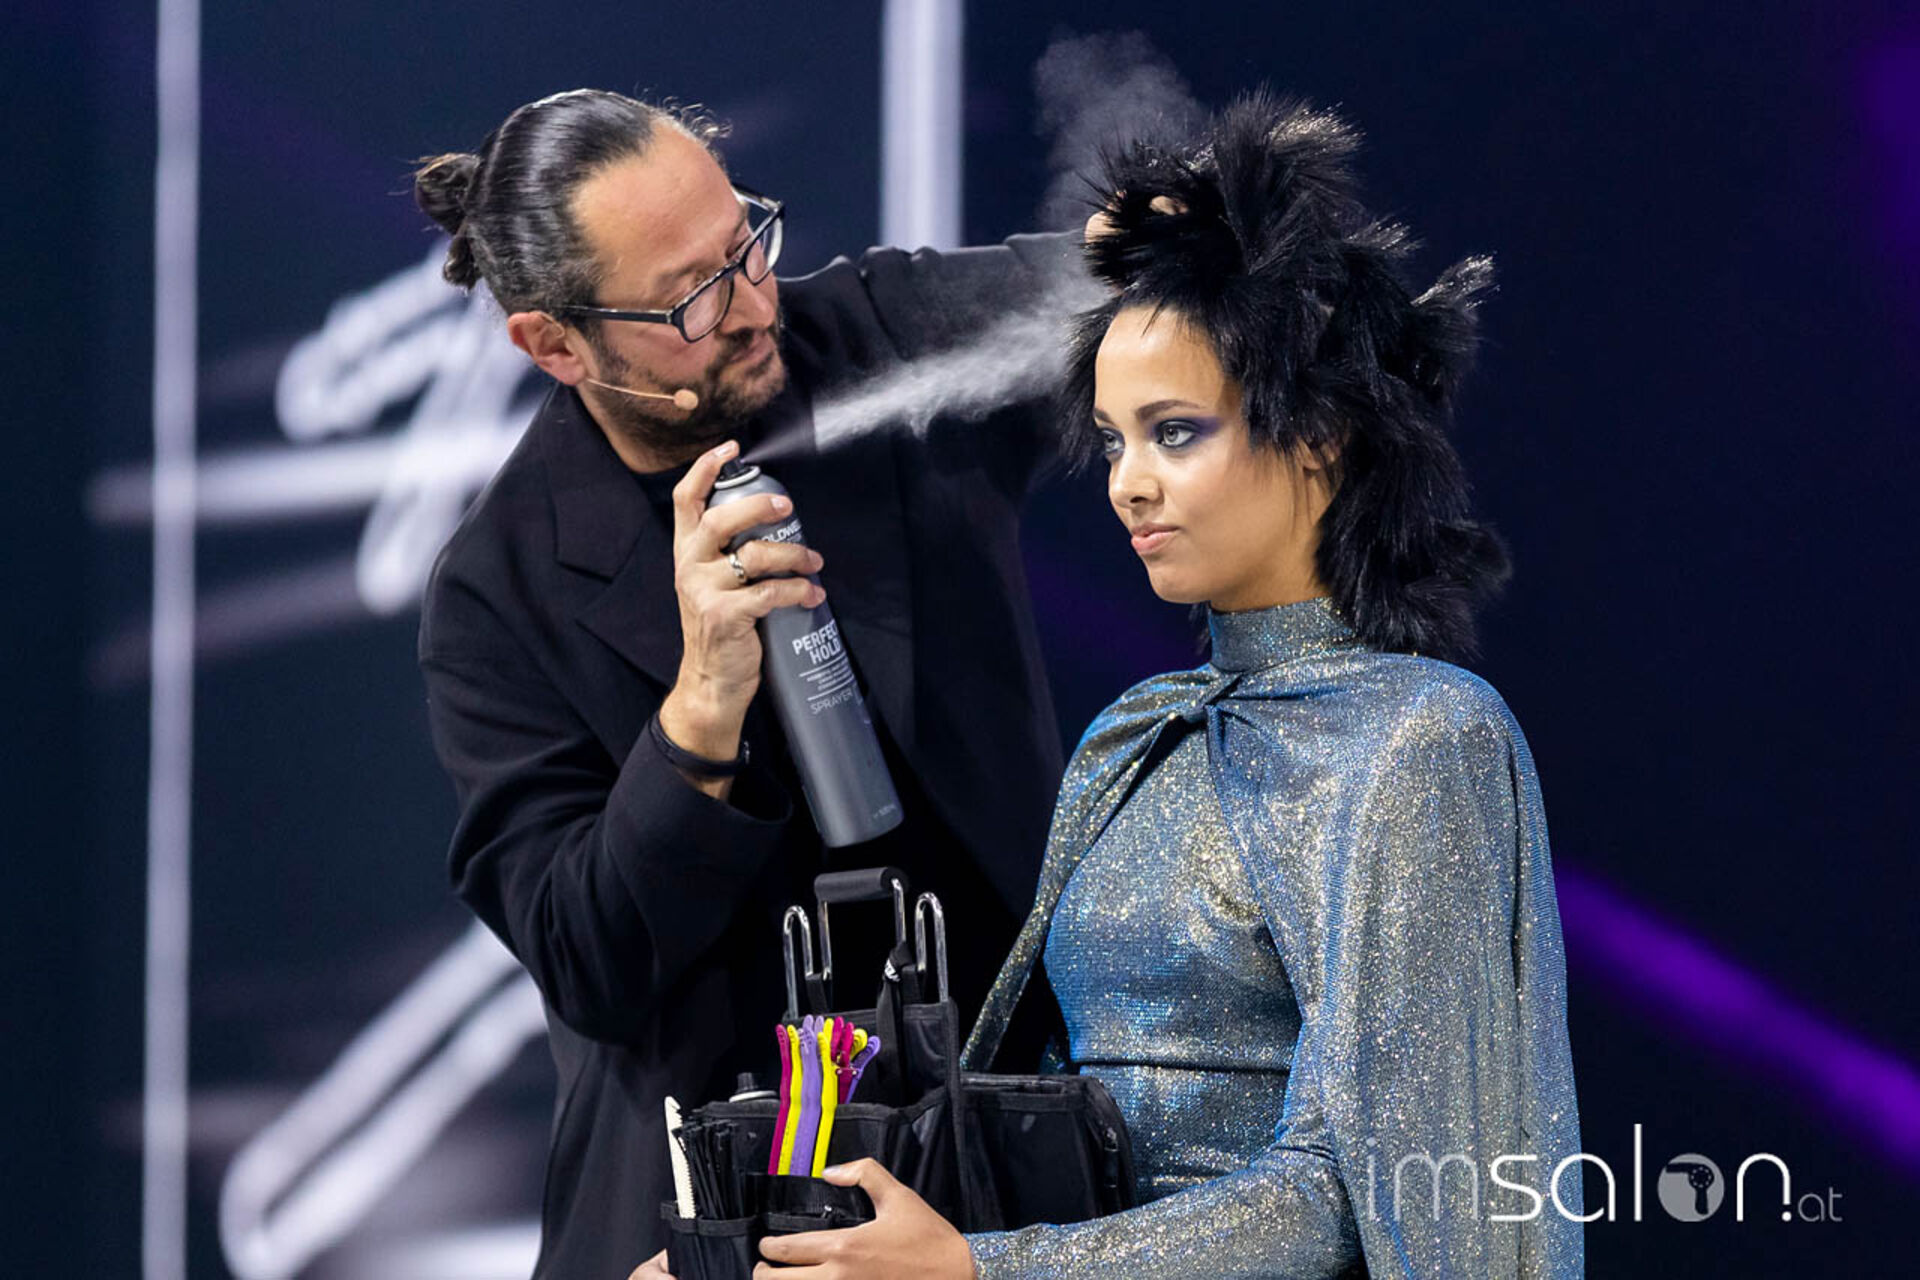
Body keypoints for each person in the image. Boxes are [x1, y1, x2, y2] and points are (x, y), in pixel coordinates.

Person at [756, 92, 1583, 1279]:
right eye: (1112, 439)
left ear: (1322, 435)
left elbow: (1354, 1189)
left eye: (1176, 431)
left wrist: (990, 1269)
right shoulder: (1135, 736)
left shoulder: (1422, 738)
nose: (1126, 483)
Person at [412, 89, 1087, 1278]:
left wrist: (1162, 248)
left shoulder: (881, 339)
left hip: (999, 1149)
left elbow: (1128, 301)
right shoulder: (497, 591)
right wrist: (699, 712)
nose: (753, 305)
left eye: (747, 245)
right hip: (714, 1209)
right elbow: (589, 958)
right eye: (690, 298)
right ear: (554, 345)